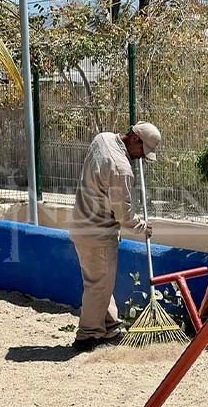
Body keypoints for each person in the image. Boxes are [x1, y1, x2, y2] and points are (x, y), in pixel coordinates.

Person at [68, 122, 161, 352]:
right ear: (135, 139)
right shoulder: (121, 169)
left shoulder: (103, 138)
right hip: (98, 233)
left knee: (101, 281)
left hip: (81, 225)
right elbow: (123, 214)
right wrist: (142, 227)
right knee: (98, 285)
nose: (140, 158)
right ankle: (87, 335)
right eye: (142, 152)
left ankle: (109, 327)